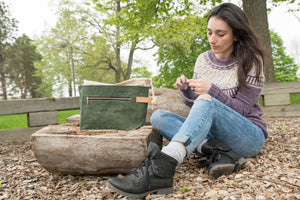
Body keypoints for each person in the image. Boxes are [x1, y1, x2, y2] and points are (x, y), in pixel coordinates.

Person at [106, 2, 268, 197]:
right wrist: (187, 91)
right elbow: (198, 109)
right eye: (209, 33)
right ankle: (217, 150)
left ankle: (164, 165)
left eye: (220, 34)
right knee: (159, 117)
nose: (212, 39)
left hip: (248, 135)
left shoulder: (252, 61)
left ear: (236, 35)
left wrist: (212, 91)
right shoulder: (203, 60)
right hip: (215, 134)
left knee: (206, 100)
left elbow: (241, 109)